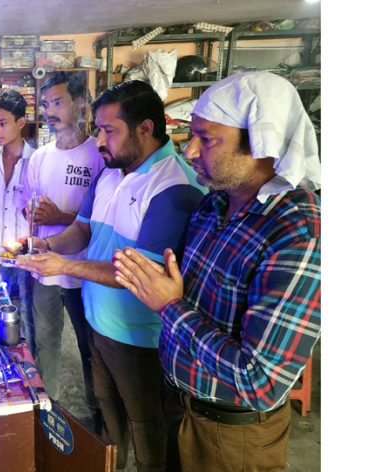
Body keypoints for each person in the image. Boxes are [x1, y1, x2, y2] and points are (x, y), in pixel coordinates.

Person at [112, 71, 321, 472]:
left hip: (233, 436)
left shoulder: (298, 233)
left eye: (206, 139)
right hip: (179, 404)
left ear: (262, 142)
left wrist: (169, 306)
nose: (189, 151)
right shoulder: (213, 207)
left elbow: (261, 382)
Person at [18, 79, 207, 471]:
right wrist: (46, 247)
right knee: (110, 421)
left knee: (150, 431)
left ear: (145, 129)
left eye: (109, 130)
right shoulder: (109, 173)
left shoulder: (174, 186)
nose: (100, 140)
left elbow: (141, 274)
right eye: (99, 129)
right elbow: (82, 231)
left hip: (141, 340)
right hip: (98, 327)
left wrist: (66, 267)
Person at [21, 71, 104, 431]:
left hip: (84, 270)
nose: (50, 111)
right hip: (46, 268)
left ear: (80, 103)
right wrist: (33, 216)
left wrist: (60, 216)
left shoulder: (98, 156)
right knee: (46, 342)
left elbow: (98, 220)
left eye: (58, 103)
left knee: (90, 350)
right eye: (46, 105)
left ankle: (98, 416)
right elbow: (30, 206)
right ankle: (48, 411)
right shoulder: (40, 156)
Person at [0, 89, 36, 353]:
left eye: (3, 124)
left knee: (27, 318)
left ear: (21, 123)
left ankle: (30, 371)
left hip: (26, 257)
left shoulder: (36, 161)